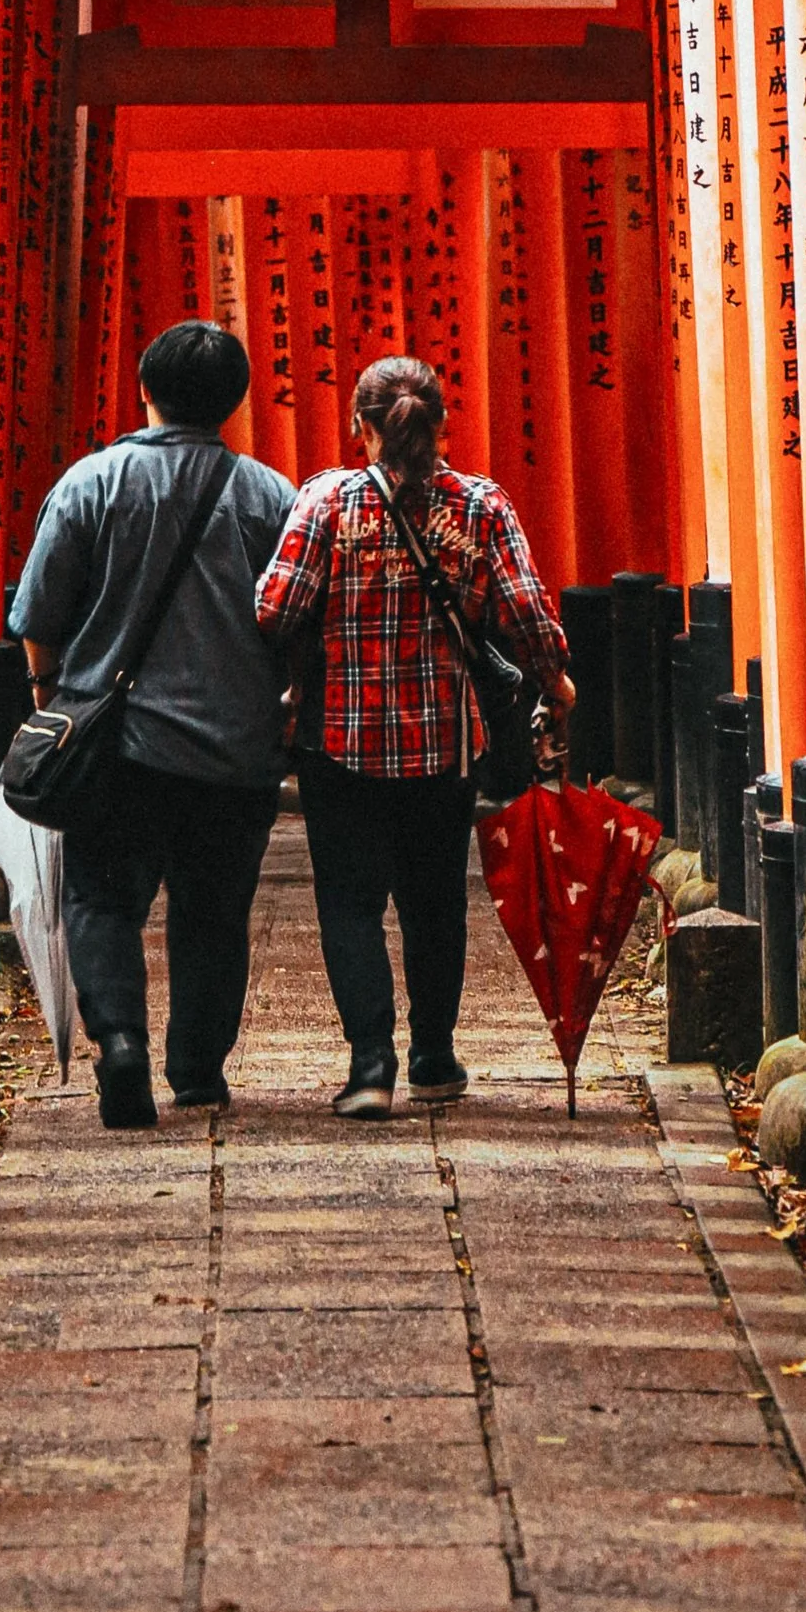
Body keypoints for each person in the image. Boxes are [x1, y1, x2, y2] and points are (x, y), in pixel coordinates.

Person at [255, 354, 573, 1118]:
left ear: (361, 429)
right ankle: (435, 1056)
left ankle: (370, 1068)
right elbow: (529, 618)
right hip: (444, 748)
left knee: (351, 904)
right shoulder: (481, 507)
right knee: (435, 903)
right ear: (438, 426)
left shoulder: (326, 503)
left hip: (342, 744)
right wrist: (557, 687)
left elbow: (273, 608)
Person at [9, 319, 296, 1131]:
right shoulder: (269, 496)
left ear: (144, 387)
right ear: (236, 401)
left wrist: (48, 692)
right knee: (212, 913)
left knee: (102, 901)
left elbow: (39, 610)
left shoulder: (92, 483)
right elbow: (295, 617)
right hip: (234, 751)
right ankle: (198, 1072)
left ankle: (122, 1045)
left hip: (118, 745)